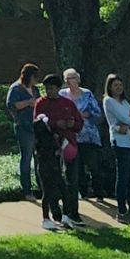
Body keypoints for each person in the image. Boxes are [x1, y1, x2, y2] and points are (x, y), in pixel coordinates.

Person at [34, 73, 85, 225]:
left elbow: (79, 123)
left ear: (58, 88)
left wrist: (72, 125)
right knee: (53, 183)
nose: (49, 92)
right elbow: (38, 124)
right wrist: (57, 124)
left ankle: (72, 213)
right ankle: (55, 213)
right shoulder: (41, 103)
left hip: (69, 145)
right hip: (50, 148)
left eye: (52, 89)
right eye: (47, 89)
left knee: (71, 181)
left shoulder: (67, 104)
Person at [103, 75, 130, 224]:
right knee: (123, 176)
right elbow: (128, 119)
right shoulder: (109, 101)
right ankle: (121, 209)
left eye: (120, 85)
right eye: (115, 85)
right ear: (110, 87)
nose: (118, 88)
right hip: (120, 143)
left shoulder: (125, 102)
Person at [63, 68, 105, 202]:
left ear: (78, 79)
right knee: (77, 167)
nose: (70, 81)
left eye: (73, 78)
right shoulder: (62, 95)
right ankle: (83, 192)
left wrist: (84, 115)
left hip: (89, 135)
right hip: (71, 136)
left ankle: (99, 192)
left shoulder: (87, 94)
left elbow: (97, 113)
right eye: (68, 78)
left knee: (94, 165)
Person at [6, 64, 41, 197]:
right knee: (26, 157)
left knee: (39, 157)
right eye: (35, 77)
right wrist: (28, 102)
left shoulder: (35, 89)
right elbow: (12, 105)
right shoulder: (16, 89)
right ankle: (27, 189)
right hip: (24, 127)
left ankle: (41, 187)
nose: (36, 80)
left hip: (36, 126)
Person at [33, 115, 68, 232]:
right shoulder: (44, 140)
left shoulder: (48, 138)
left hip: (53, 167)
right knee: (47, 193)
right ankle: (46, 218)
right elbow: (51, 149)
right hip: (47, 168)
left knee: (61, 189)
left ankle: (64, 216)